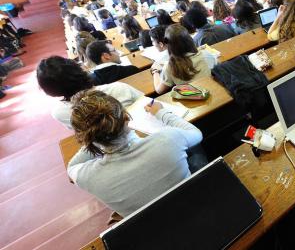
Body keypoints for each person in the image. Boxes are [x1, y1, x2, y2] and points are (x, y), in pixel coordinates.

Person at [66, 89, 203, 217]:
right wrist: (161, 113)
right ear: (126, 117)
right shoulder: (169, 139)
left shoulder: (87, 177)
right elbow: (195, 133)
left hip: (150, 229)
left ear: (85, 138)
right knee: (195, 150)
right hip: (194, 206)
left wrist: (94, 138)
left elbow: (71, 167)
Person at [36, 56, 143, 129]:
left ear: (49, 90)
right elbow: (151, 106)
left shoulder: (59, 113)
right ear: (79, 69)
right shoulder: (119, 88)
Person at [152, 24, 217, 94]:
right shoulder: (206, 54)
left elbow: (159, 90)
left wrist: (155, 71)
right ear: (189, 38)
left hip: (192, 98)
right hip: (212, 92)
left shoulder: (170, 66)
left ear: (169, 45)